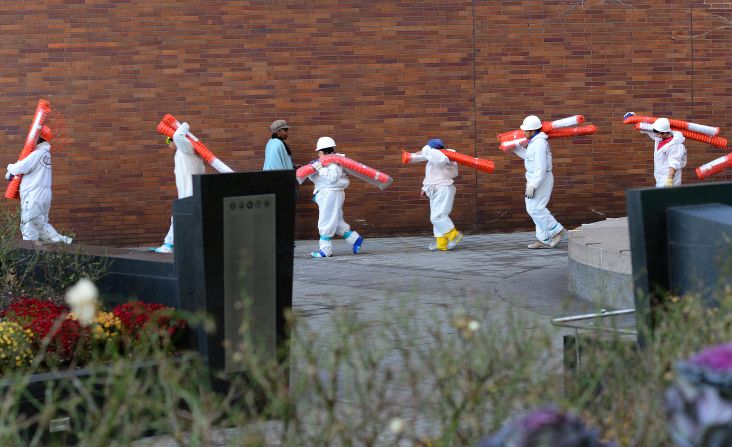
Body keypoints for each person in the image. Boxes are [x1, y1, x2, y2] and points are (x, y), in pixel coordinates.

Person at [511, 115, 566, 249]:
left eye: (525, 130)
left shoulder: (539, 144)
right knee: (533, 208)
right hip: (536, 178)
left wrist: (533, 185)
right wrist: (516, 149)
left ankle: (556, 230)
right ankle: (544, 239)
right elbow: (529, 157)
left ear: (532, 130)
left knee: (535, 209)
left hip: (540, 178)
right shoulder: (535, 142)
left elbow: (541, 168)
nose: (523, 133)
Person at [303, 136, 363, 258]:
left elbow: (332, 179)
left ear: (323, 151)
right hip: (330, 194)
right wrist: (312, 170)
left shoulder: (334, 164)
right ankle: (354, 239)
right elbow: (318, 179)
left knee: (325, 221)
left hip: (330, 194)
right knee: (335, 220)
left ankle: (325, 250)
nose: (318, 155)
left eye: (319, 152)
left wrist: (319, 168)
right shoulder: (327, 162)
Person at [6, 135, 72, 244]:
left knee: (29, 226)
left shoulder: (37, 154)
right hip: (43, 196)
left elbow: (19, 168)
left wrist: (10, 167)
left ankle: (32, 252)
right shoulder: (45, 154)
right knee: (40, 224)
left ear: (37, 139)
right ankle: (62, 244)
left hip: (33, 196)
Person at [155, 122, 205, 253]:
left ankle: (169, 244)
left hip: (189, 194)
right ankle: (175, 244)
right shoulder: (187, 153)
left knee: (178, 216)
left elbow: (178, 136)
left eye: (168, 141)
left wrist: (183, 125)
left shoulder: (186, 149)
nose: (168, 145)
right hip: (189, 193)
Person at [407, 138, 463, 251]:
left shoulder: (445, 157)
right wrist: (425, 188)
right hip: (436, 189)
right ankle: (441, 244)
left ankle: (454, 235)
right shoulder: (435, 158)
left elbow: (434, 156)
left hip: (443, 188)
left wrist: (426, 149)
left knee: (437, 217)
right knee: (438, 216)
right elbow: (431, 175)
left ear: (433, 149)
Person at [636, 116, 688, 187]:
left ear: (665, 133)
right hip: (660, 178)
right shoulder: (659, 138)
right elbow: (646, 129)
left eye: (658, 134)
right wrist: (633, 119)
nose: (656, 135)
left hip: (669, 179)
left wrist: (669, 180)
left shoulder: (674, 145)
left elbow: (674, 163)